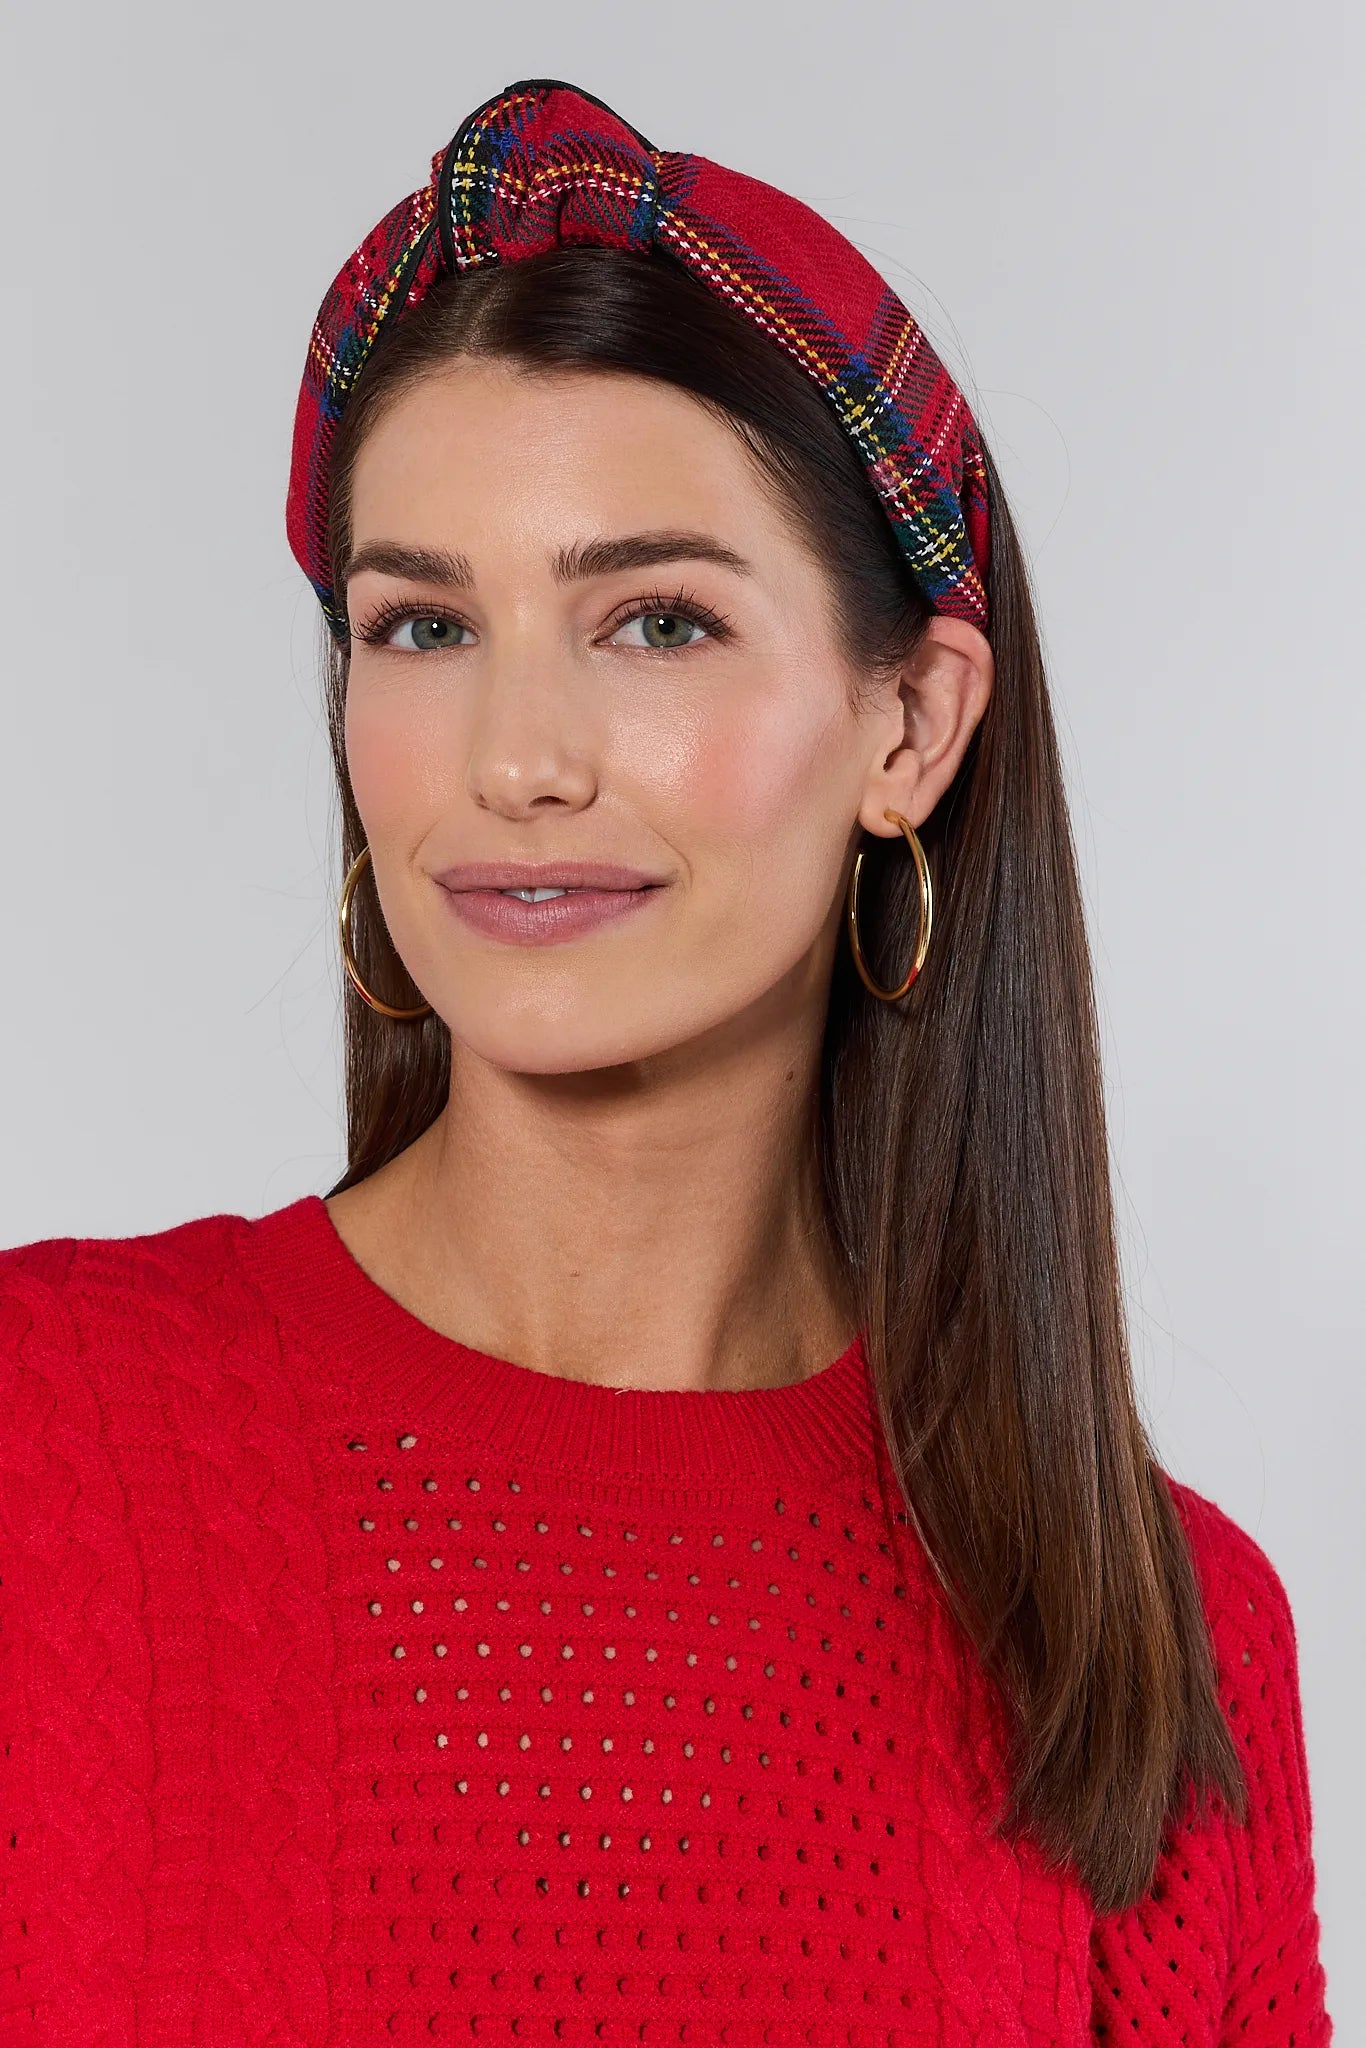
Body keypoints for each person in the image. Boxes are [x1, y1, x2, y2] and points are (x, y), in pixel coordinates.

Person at [0, 77, 1331, 2045]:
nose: (515, 760)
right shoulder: (45, 1439)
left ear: (908, 724)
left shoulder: (1153, 1642)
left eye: (653, 621)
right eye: (423, 627)